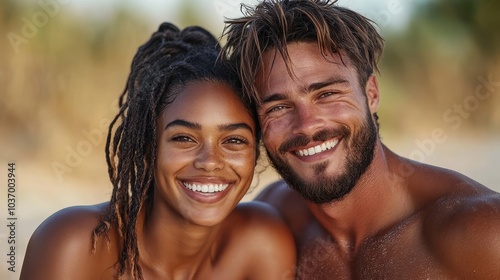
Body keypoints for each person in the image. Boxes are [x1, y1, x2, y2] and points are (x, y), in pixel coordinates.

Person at [221, 0, 500, 278]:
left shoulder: (480, 229)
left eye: (327, 94)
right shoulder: (274, 219)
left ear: (372, 94)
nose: (306, 126)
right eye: (278, 108)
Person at [20, 22, 296, 280]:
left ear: (256, 153)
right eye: (184, 138)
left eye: (234, 140)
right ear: (148, 147)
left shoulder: (262, 246)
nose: (210, 162)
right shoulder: (74, 245)